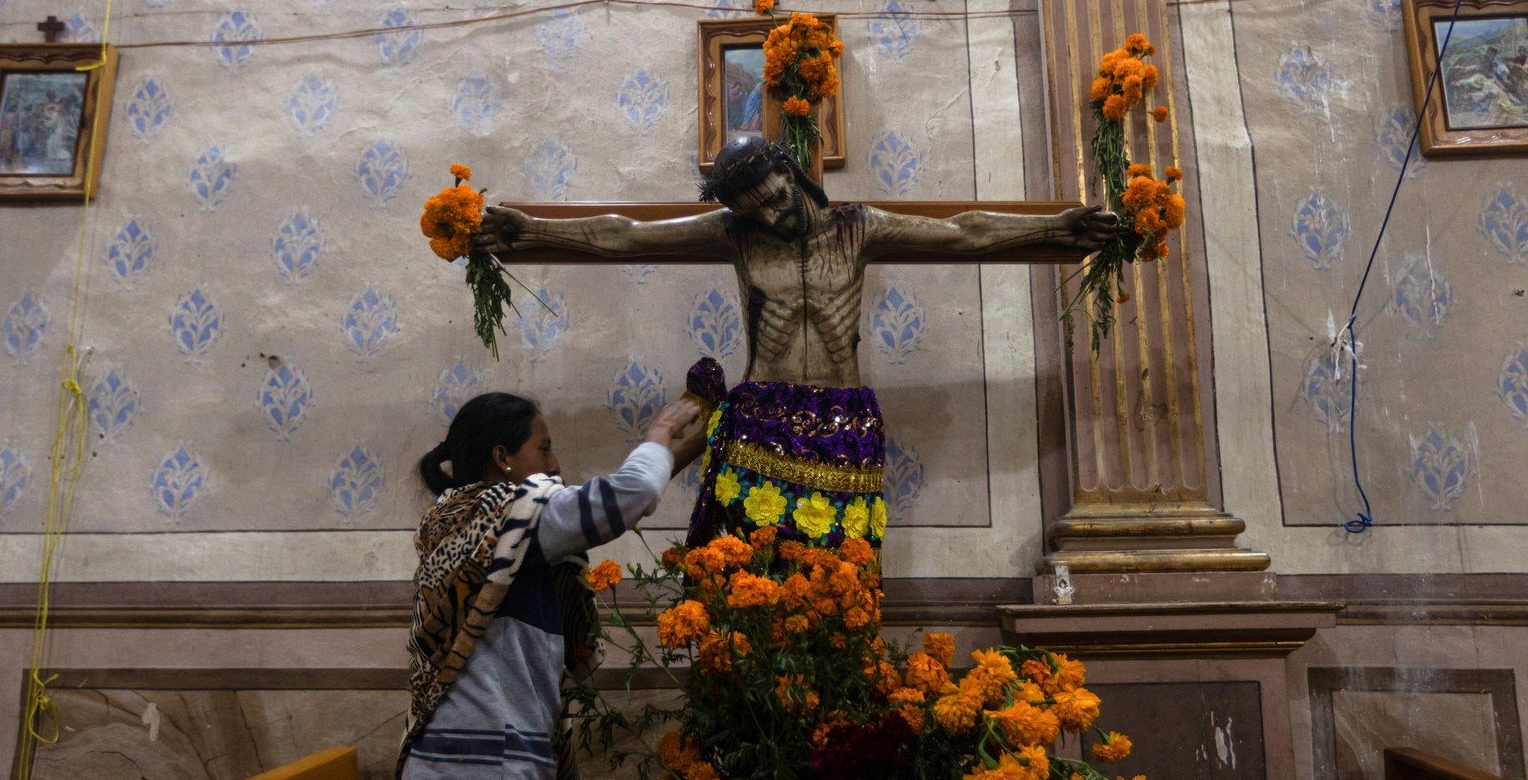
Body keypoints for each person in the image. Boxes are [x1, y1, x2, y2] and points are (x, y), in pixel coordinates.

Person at [477, 136, 1118, 553]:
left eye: (778, 199)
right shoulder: (737, 235)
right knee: (751, 573)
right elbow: (627, 236)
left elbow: (962, 231)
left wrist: (1061, 226)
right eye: (757, 210)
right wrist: (530, 229)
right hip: (761, 417)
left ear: (794, 176)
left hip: (845, 417)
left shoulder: (858, 228)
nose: (775, 216)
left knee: (842, 574)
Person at [393, 391, 704, 780]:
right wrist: (660, 432)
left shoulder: (476, 521)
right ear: (503, 458)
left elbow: (610, 501)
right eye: (544, 449)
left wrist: (701, 444)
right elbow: (623, 499)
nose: (555, 465)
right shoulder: (503, 517)